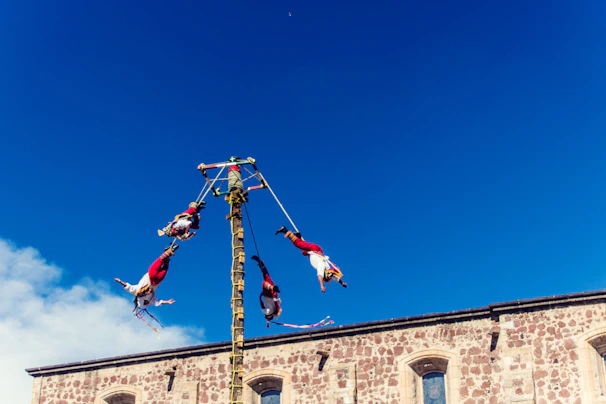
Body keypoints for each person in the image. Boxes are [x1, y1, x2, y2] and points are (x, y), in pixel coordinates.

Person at [275, 226, 348, 293]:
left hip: (314, 251)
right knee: (298, 244)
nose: (329, 276)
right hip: (314, 250)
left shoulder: (328, 268)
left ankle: (297, 236)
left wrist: (342, 283)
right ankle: (285, 230)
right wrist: (322, 286)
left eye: (328, 277)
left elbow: (336, 277)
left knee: (303, 250)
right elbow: (320, 276)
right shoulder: (322, 267)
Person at [114, 244, 179, 310]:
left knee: (161, 265)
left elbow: (128, 286)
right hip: (155, 279)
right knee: (162, 266)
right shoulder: (150, 298)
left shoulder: (137, 291)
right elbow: (158, 302)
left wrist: (120, 281)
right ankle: (167, 255)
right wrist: (168, 302)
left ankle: (167, 254)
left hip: (155, 278)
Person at [251, 255, 282, 326]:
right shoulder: (267, 312)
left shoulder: (275, 311)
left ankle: (261, 264)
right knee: (264, 283)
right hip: (268, 295)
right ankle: (272, 287)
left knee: (266, 277)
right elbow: (262, 306)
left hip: (274, 294)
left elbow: (268, 319)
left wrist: (268, 323)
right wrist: (260, 296)